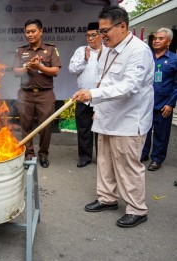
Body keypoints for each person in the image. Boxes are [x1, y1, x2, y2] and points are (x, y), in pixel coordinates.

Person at [73, 5, 154, 228]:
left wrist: (93, 94)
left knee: (128, 166)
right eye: (100, 31)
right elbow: (104, 79)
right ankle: (107, 198)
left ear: (122, 26)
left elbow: (130, 86)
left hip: (128, 121)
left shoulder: (139, 51)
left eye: (105, 30)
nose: (101, 36)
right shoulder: (108, 48)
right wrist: (96, 105)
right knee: (105, 162)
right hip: (106, 116)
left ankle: (137, 209)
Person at [13, 18, 61, 168]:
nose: (30, 34)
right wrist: (27, 67)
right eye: (27, 32)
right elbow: (15, 72)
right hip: (25, 94)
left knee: (46, 126)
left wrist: (39, 66)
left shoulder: (51, 49)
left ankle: (43, 154)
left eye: (33, 31)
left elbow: (55, 71)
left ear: (41, 31)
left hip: (45, 94)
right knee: (25, 125)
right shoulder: (21, 50)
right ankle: (29, 154)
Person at [140, 28, 177, 171]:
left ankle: (157, 159)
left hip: (163, 105)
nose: (156, 40)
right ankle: (143, 154)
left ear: (169, 41)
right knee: (144, 130)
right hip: (146, 103)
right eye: (155, 38)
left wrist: (170, 103)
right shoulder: (147, 57)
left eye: (161, 38)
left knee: (161, 134)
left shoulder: (174, 59)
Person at [69, 22, 103, 168]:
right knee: (83, 129)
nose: (90, 38)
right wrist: (85, 60)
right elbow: (72, 69)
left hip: (101, 97)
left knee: (101, 129)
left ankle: (103, 158)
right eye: (88, 35)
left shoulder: (108, 51)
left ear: (101, 35)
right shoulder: (81, 51)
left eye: (93, 35)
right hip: (83, 97)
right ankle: (85, 157)